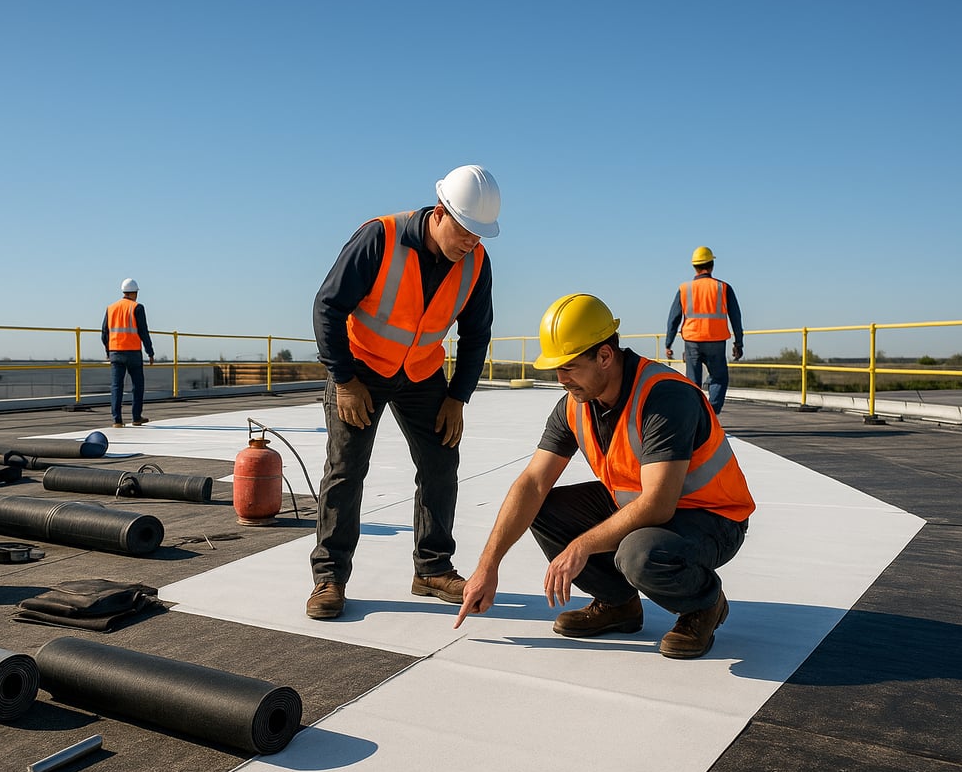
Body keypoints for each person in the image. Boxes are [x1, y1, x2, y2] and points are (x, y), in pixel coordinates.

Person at [455, 293, 755, 659]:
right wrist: (488, 565)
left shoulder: (665, 396)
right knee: (542, 508)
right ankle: (619, 605)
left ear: (605, 356)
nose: (560, 378)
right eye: (557, 369)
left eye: (569, 367)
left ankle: (704, 604)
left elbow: (659, 504)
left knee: (638, 554)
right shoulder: (574, 403)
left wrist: (580, 546)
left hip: (713, 518)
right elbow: (532, 483)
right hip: (641, 506)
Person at [307, 165, 501, 620]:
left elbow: (476, 334)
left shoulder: (476, 262)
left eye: (480, 235)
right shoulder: (381, 238)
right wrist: (345, 380)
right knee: (346, 470)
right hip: (360, 370)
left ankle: (432, 569)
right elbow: (327, 307)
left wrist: (458, 397)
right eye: (466, 232)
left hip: (421, 373)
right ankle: (329, 578)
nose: (472, 243)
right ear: (440, 213)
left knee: (440, 461)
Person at [664, 246, 744, 414]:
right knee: (719, 378)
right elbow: (736, 318)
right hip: (716, 340)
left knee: (693, 382)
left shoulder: (684, 289)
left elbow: (674, 318)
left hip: (692, 341)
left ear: (694, 266)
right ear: (712, 265)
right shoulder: (723, 288)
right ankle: (711, 414)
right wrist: (738, 343)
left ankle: (695, 415)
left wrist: (668, 343)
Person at [101, 278, 155, 428]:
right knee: (137, 386)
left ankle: (116, 420)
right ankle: (136, 417)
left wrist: (108, 351)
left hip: (116, 353)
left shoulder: (111, 308)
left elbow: (104, 333)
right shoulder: (137, 307)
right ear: (135, 293)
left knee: (116, 386)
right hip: (133, 353)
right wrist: (150, 352)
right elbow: (143, 332)